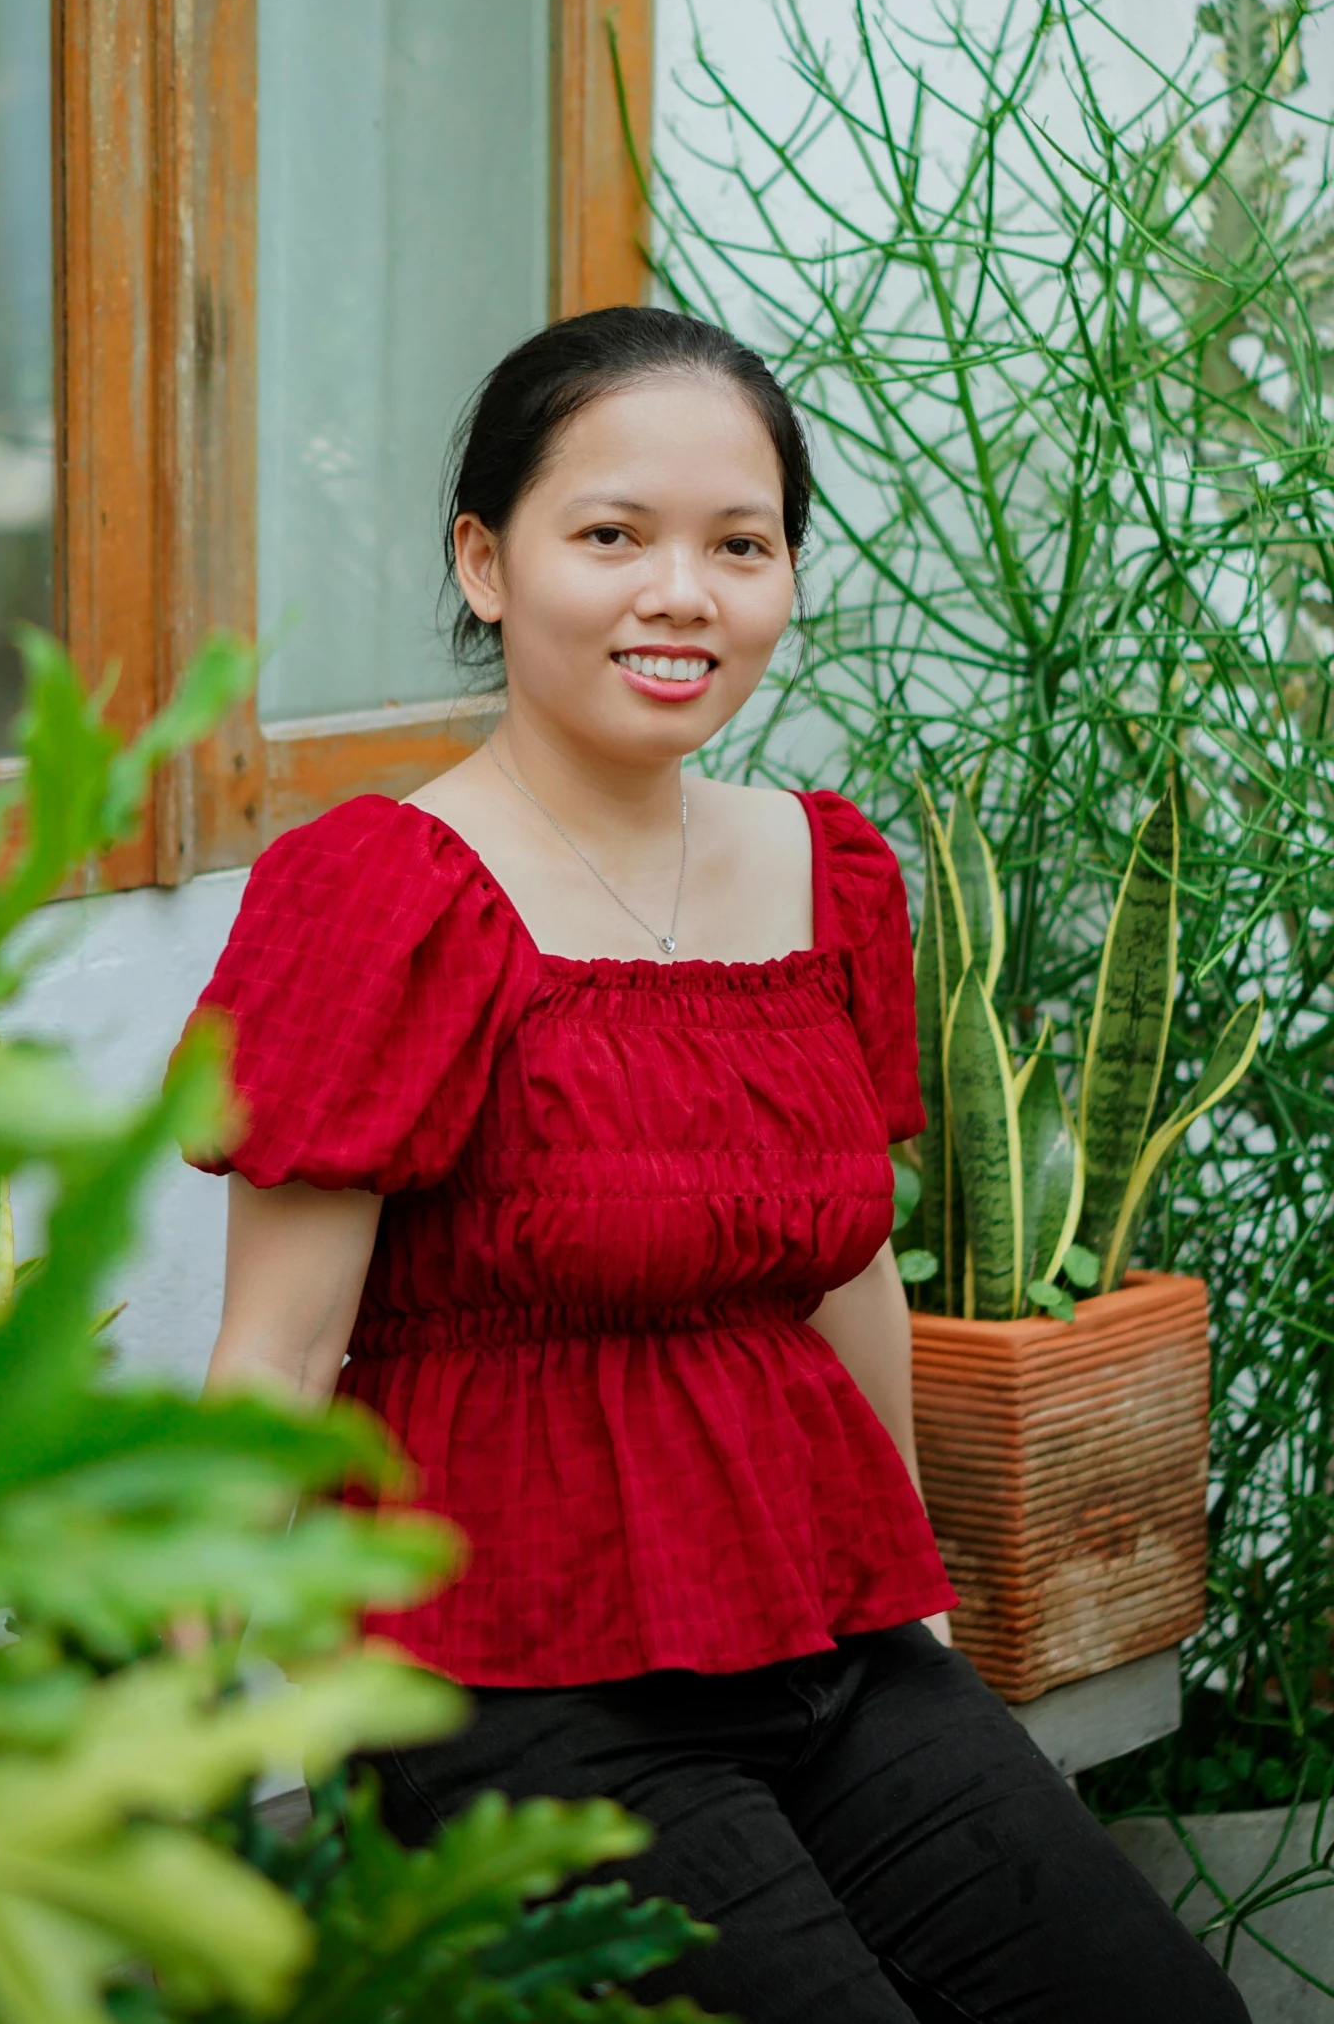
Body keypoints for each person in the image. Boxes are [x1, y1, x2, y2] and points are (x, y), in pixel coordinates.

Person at [190, 307, 1247, 2023]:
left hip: (824, 1638)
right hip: (503, 1676)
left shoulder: (823, 868)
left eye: (737, 545)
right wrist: (166, 1748)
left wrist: (926, 1618)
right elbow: (276, 1360)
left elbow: (846, 1270)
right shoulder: (378, 892)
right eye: (611, 534)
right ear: (487, 561)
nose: (680, 592)